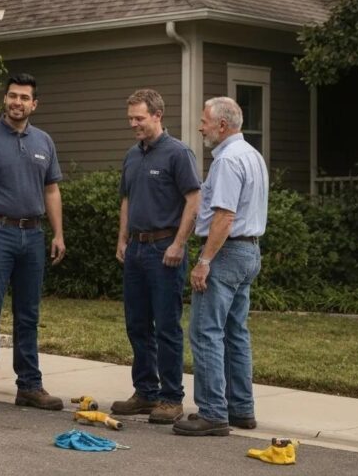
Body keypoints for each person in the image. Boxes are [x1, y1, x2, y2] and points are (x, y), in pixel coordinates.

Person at [0, 73, 66, 414]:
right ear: (4, 100)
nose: (17, 102)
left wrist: (58, 233)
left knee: (28, 314)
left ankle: (30, 386)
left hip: (32, 235)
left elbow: (51, 190)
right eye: (12, 96)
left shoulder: (44, 142)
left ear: (34, 104)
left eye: (24, 98)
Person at [174, 97, 268, 437]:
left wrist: (203, 262)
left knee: (205, 331)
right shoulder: (253, 156)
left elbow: (225, 217)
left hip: (226, 254)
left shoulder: (228, 161)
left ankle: (213, 412)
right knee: (235, 332)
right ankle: (241, 408)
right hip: (249, 253)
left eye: (204, 121)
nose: (201, 127)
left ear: (222, 126)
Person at [111, 89, 200, 424]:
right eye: (130, 119)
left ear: (157, 115)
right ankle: (146, 392)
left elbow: (193, 200)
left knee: (166, 326)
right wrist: (123, 240)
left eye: (139, 118)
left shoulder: (178, 154)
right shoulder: (133, 155)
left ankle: (171, 397)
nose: (134, 124)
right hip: (135, 249)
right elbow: (126, 201)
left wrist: (179, 244)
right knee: (137, 324)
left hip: (165, 250)